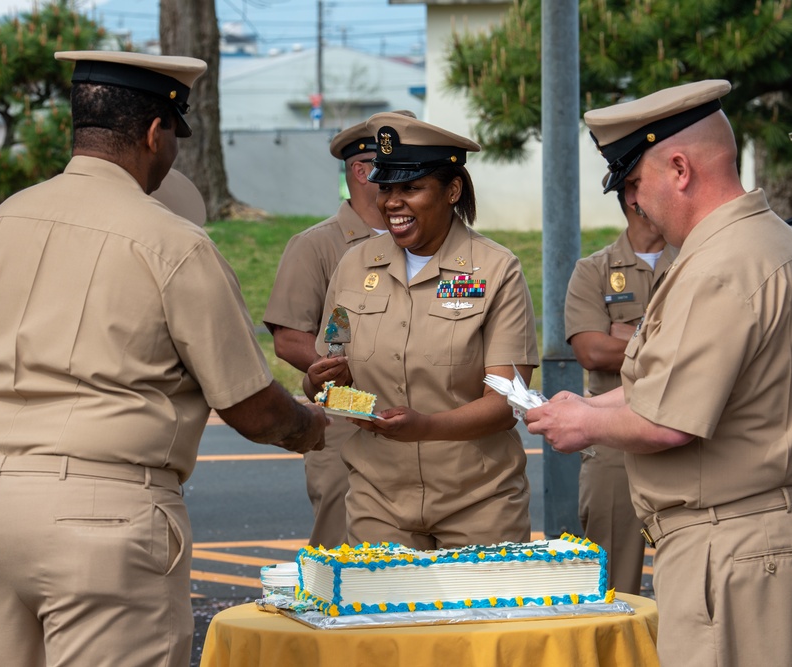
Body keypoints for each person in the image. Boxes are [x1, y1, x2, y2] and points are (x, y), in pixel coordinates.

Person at [0, 51, 326, 667]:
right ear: (155, 131)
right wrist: (310, 426)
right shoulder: (170, 241)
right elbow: (252, 409)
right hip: (101, 516)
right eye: (174, 134)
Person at [525, 80, 792, 666]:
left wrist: (584, 425)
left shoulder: (719, 266)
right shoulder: (761, 242)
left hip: (725, 545)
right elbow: (675, 384)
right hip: (747, 537)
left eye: (634, 185)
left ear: (679, 168)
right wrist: (589, 406)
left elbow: (669, 423)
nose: (636, 205)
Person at [304, 113, 539, 549]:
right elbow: (333, 371)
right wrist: (320, 383)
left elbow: (508, 402)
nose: (392, 202)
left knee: (478, 619)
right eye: (386, 188)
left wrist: (425, 426)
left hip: (479, 503)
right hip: (379, 501)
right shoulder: (354, 267)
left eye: (410, 188)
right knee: (382, 618)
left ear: (452, 190)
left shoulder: (495, 268)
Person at [263, 114, 403, 548]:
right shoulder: (316, 244)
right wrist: (354, 375)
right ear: (362, 171)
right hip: (348, 414)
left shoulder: (429, 241)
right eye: (401, 166)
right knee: (344, 551)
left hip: (422, 416)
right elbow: (288, 338)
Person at [564, 186, 676, 594]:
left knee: (688, 581)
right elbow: (591, 351)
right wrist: (667, 343)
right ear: (633, 198)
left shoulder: (694, 263)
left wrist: (627, 335)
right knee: (610, 585)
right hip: (612, 441)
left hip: (684, 433)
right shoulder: (593, 270)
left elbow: (715, 344)